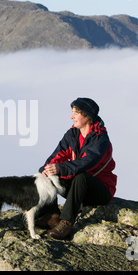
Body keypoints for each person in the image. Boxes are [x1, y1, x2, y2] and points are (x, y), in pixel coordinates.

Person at [36, 97, 117, 240]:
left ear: (87, 116)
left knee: (81, 177)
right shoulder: (72, 134)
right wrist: (46, 169)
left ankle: (66, 222)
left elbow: (87, 162)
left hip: (100, 191)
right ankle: (52, 215)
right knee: (49, 173)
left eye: (76, 113)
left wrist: (61, 168)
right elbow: (58, 155)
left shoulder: (101, 138)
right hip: (77, 190)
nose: (71, 116)